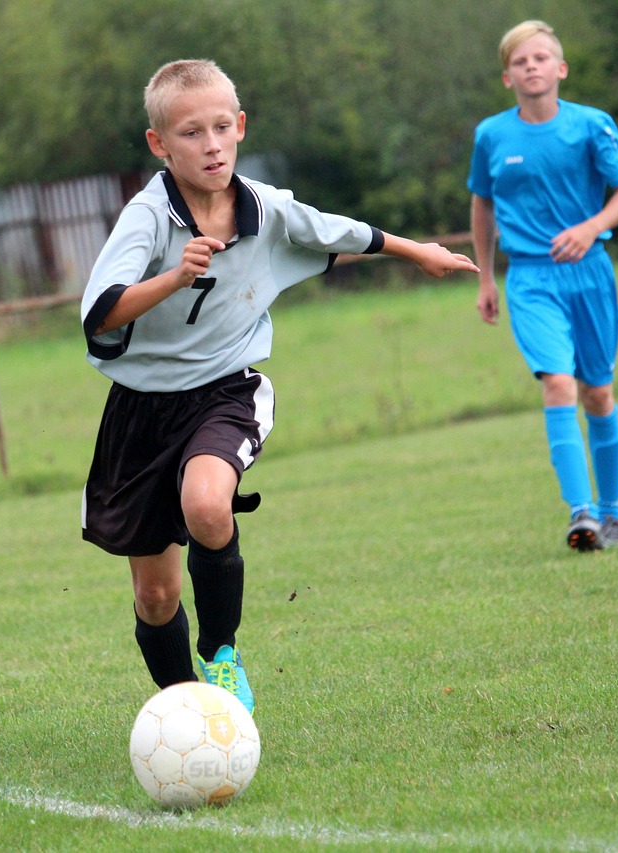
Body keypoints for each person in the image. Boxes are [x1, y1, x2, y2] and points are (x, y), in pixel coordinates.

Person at [80, 59, 478, 712]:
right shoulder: (148, 219)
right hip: (140, 413)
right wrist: (172, 278)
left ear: (239, 127)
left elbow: (340, 229)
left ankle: (223, 654)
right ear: (159, 144)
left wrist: (418, 250)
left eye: (219, 128)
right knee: (155, 596)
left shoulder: (265, 207)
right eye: (189, 133)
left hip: (224, 393)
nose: (209, 145)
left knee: (208, 505)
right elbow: (101, 312)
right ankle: (187, 709)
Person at [467, 21, 618, 551]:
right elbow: (482, 203)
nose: (532, 67)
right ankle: (581, 514)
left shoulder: (592, 125)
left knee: (598, 392)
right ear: (507, 77)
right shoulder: (492, 135)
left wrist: (591, 228)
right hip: (530, 278)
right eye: (521, 61)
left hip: (590, 274)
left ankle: (612, 516)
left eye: (541, 58)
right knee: (558, 384)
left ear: (560, 68)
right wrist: (485, 276)